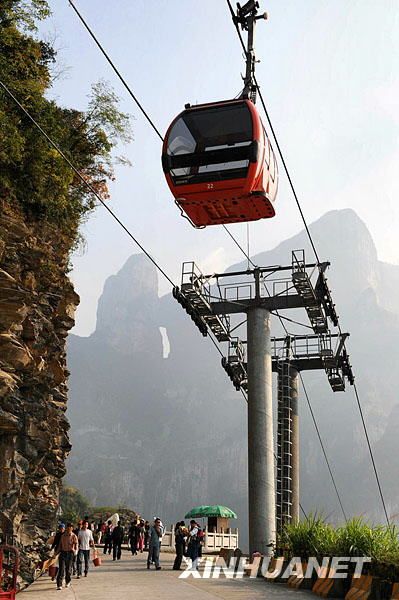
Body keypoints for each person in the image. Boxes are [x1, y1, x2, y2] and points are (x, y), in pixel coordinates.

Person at [56, 523, 78, 591]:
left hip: (70, 554)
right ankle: (59, 584)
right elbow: (60, 546)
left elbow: (76, 544)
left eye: (70, 527)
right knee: (61, 569)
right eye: (68, 527)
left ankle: (67, 581)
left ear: (72, 528)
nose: (68, 529)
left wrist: (75, 551)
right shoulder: (63, 536)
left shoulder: (74, 536)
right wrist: (55, 554)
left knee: (68, 569)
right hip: (63, 553)